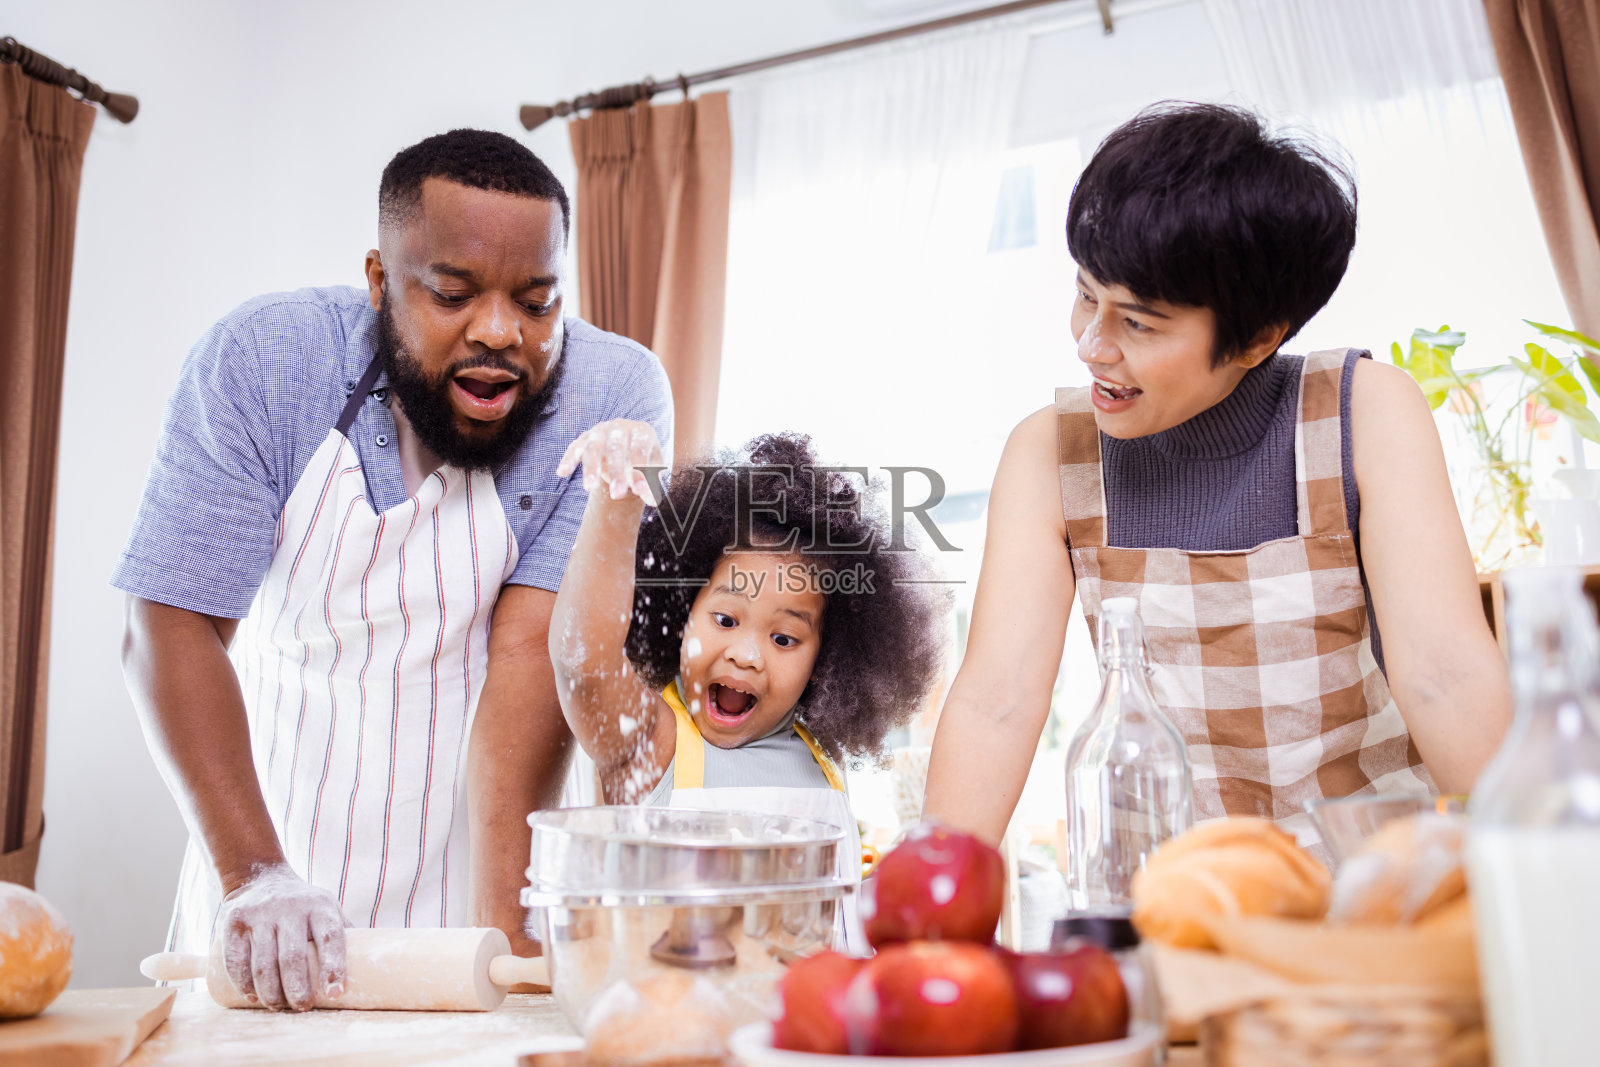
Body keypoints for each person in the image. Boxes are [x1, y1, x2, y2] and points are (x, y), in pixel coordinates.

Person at [115, 129, 672, 1009]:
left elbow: (531, 660)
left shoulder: (609, 394)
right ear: (379, 280)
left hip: (464, 935)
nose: (499, 332)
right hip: (260, 896)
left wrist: (510, 947)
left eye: (537, 302)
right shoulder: (268, 362)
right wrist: (254, 875)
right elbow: (169, 628)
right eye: (453, 294)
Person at [922, 103, 1511, 850]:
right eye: (1084, 295)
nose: (1092, 345)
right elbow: (996, 703)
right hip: (1172, 894)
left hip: (1375, 882)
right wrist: (923, 913)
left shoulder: (1364, 413)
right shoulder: (1049, 453)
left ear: (1259, 338)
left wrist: (1544, 889)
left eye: (1138, 323)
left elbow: (1447, 677)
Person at [549, 421, 948, 946]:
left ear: (825, 661)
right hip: (685, 1018)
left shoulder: (822, 757)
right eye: (726, 620)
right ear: (683, 610)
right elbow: (585, 664)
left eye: (785, 638)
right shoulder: (654, 741)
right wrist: (617, 501)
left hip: (813, 1020)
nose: (746, 654)